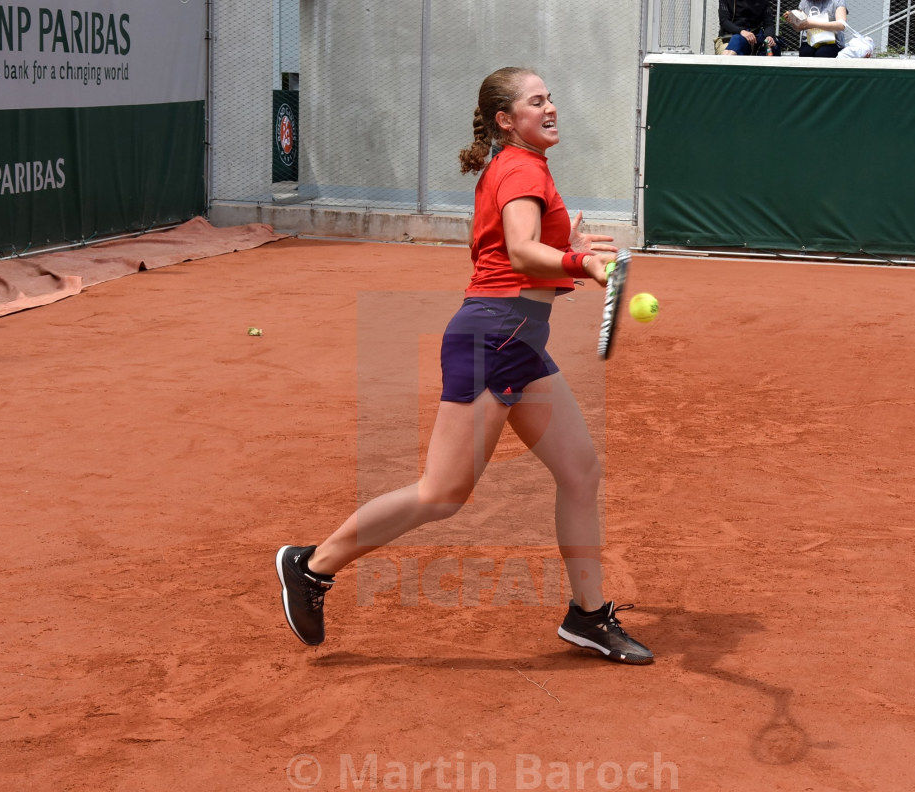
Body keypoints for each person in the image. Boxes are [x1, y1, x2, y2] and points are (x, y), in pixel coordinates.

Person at [274, 67, 655, 666]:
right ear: (506, 120)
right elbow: (525, 252)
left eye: (551, 97)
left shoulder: (517, 164)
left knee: (579, 471)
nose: (551, 107)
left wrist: (567, 242)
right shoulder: (521, 167)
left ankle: (587, 614)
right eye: (537, 101)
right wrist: (583, 261)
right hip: (495, 339)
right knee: (442, 493)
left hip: (519, 341)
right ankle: (312, 564)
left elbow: (513, 251)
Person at [784, 0, 848, 58]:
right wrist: (792, 21)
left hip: (833, 42)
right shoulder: (804, 2)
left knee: (822, 53)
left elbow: (841, 25)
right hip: (810, 41)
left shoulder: (837, 1)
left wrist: (813, 24)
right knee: (805, 53)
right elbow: (799, 28)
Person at [718, 0, 782, 56]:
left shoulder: (763, 2)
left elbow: (769, 24)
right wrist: (741, 31)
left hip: (755, 36)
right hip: (732, 34)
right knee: (735, 42)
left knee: (774, 46)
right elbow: (724, 21)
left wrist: (769, 36)